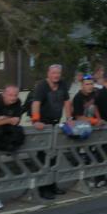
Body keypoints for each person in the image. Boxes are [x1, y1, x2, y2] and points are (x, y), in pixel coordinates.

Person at [31, 64, 71, 199]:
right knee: (43, 158)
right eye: (54, 73)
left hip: (55, 125)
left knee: (54, 158)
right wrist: (36, 120)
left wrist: (69, 118)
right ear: (48, 73)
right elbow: (35, 103)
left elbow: (67, 101)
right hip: (43, 126)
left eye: (58, 73)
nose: (56, 75)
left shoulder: (62, 84)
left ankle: (52, 185)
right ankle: (43, 188)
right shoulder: (42, 86)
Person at [0, 85, 25, 153]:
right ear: (3, 94)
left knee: (19, 131)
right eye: (10, 95)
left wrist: (4, 119)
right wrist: (9, 120)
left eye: (15, 95)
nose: (13, 98)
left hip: (6, 127)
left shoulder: (17, 102)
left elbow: (16, 121)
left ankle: (10, 148)